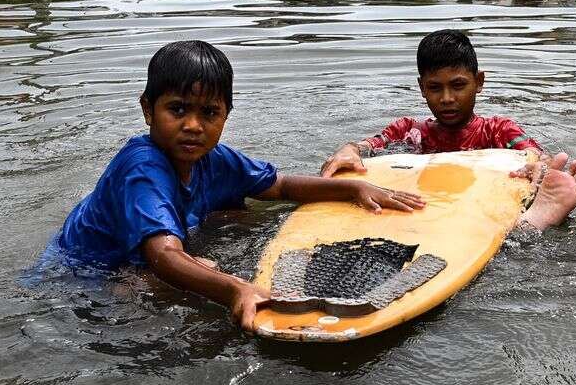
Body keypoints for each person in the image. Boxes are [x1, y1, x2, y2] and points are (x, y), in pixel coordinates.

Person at [45, 40, 425, 332]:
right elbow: (163, 256)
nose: (193, 125)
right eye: (177, 109)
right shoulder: (142, 167)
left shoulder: (214, 158)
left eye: (209, 113)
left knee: (241, 216)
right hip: (85, 273)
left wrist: (353, 190)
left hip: (141, 250)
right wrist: (234, 288)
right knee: (160, 287)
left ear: (226, 115)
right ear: (148, 109)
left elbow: (280, 186)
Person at [320, 29, 576, 231]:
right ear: (422, 88)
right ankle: (532, 224)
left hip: (478, 208)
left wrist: (537, 165)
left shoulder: (498, 130)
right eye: (435, 88)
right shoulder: (408, 132)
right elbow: (368, 146)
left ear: (479, 82)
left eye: (458, 85)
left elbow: (533, 154)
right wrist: (350, 149)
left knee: (512, 226)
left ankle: (536, 219)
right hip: (427, 210)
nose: (447, 98)